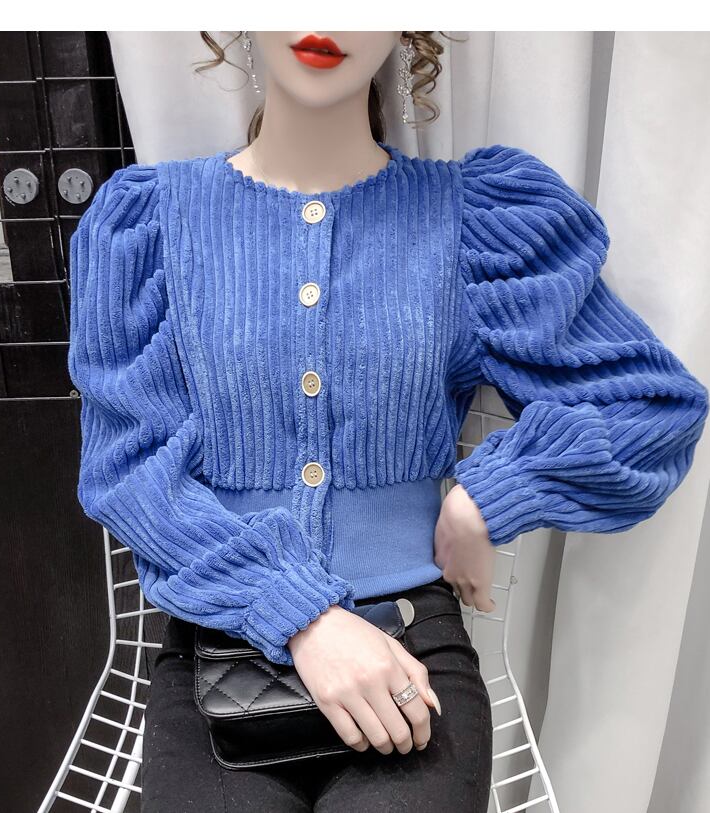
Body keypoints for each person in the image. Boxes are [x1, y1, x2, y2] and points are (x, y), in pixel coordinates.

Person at [66, 32, 709, 813]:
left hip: (412, 649)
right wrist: (303, 616)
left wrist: (487, 496)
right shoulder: (147, 226)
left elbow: (646, 405)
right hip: (217, 653)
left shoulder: (472, 219)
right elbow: (129, 471)